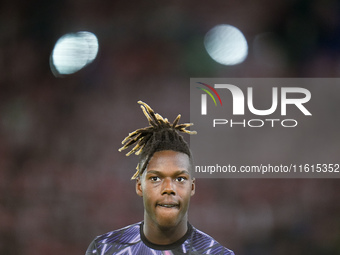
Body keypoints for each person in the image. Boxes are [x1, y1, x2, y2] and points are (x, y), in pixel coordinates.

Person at [85, 101, 235, 255]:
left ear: (192, 187)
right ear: (139, 186)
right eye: (156, 178)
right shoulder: (104, 249)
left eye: (180, 179)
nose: (169, 188)